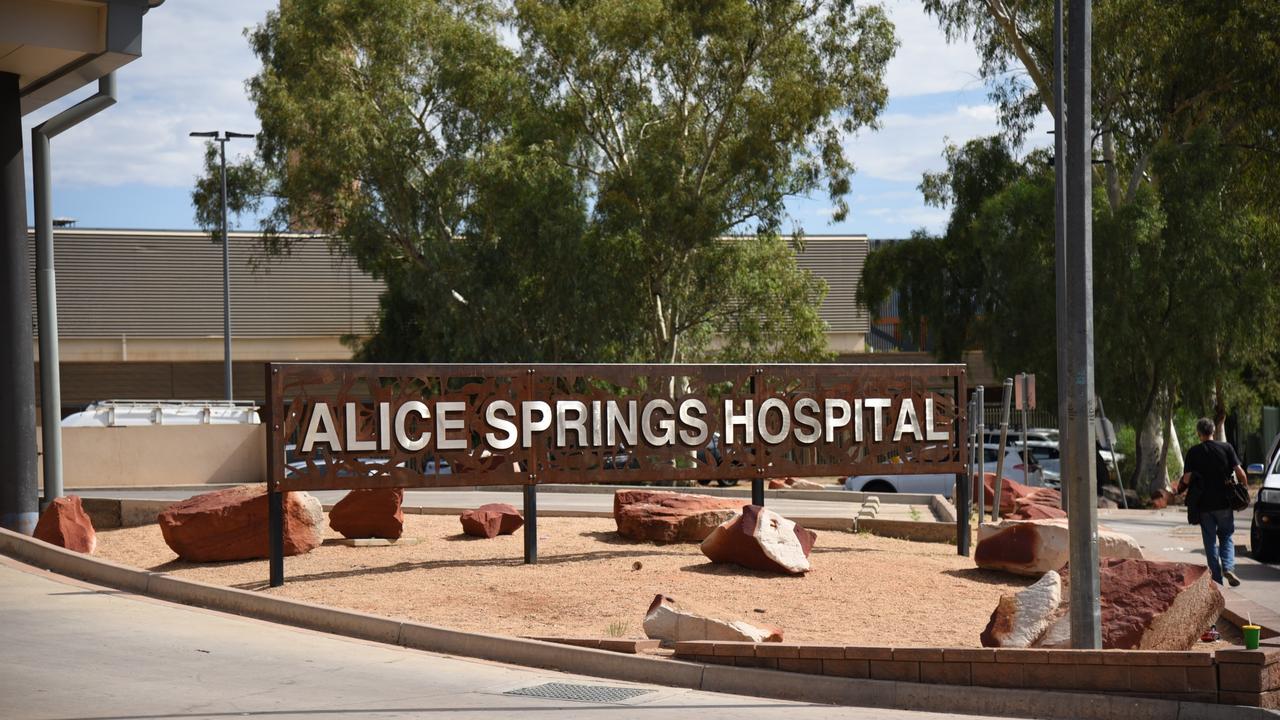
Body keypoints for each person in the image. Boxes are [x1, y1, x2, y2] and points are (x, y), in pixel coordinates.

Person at [1177, 417, 1244, 587]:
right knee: (1227, 536)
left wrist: (1180, 488)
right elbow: (1240, 472)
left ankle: (1216, 580)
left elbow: (1186, 478)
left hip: (1204, 505)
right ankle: (1228, 567)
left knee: (1210, 542)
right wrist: (1244, 486)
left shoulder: (1193, 452)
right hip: (1224, 503)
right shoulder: (1226, 448)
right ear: (1213, 431)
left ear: (1198, 433)